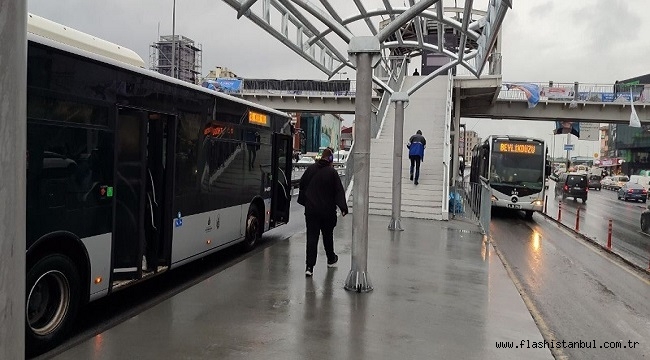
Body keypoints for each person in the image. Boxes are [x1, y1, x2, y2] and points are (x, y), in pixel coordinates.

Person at [297, 147, 348, 277]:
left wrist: (307, 199)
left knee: (312, 237)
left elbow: (302, 184)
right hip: (327, 212)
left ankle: (309, 267)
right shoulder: (332, 173)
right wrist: (343, 208)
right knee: (327, 236)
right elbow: (338, 191)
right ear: (330, 159)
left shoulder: (310, 169)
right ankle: (331, 259)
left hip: (311, 211)